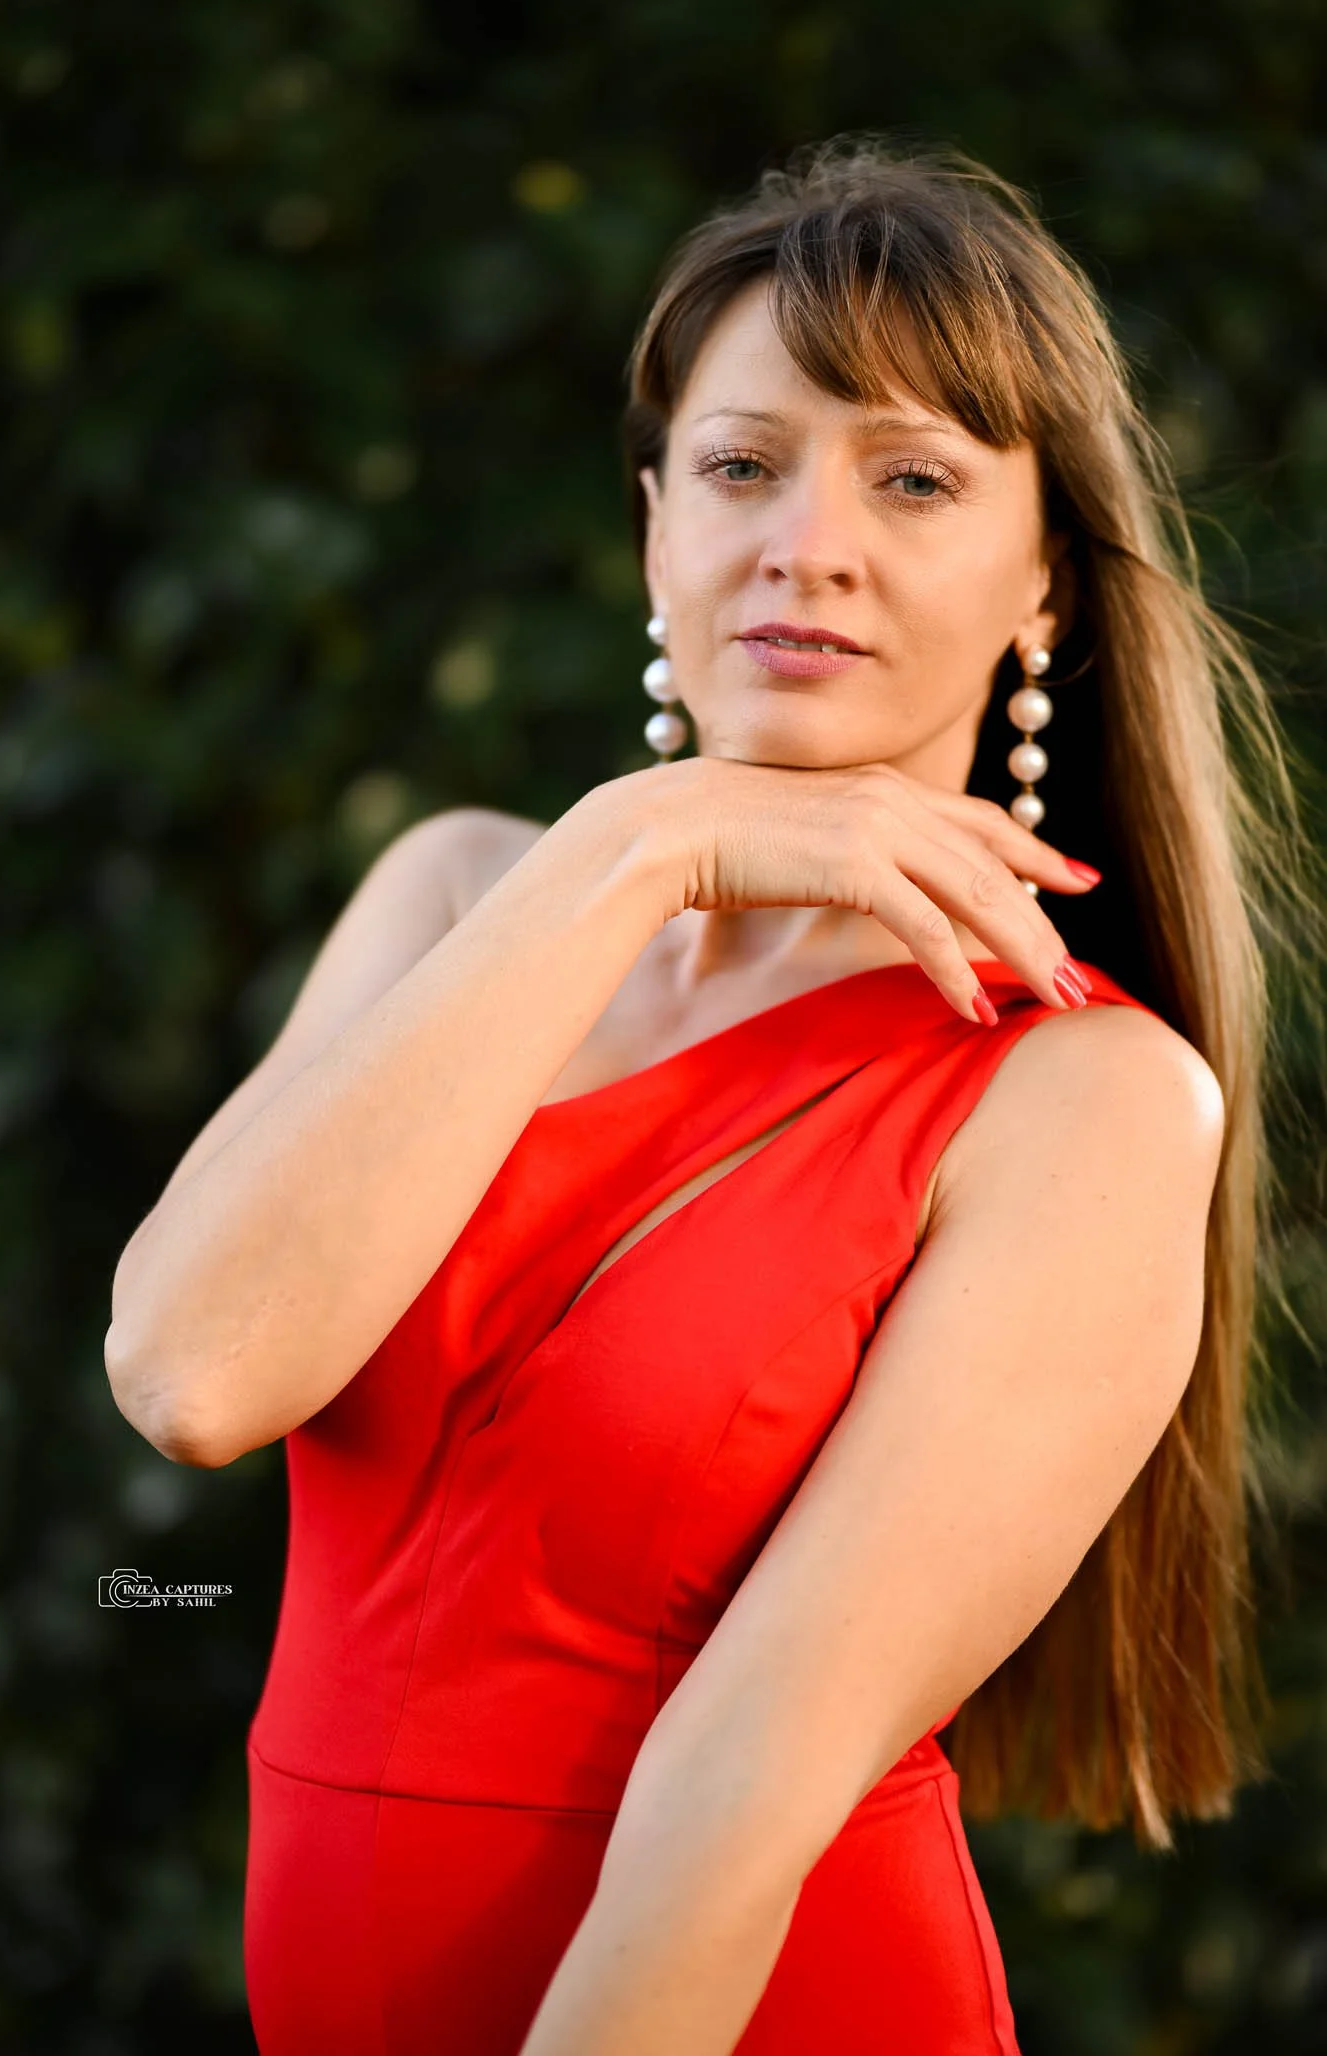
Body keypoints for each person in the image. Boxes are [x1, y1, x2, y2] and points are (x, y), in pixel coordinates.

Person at [104, 137, 1313, 2055]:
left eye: (911, 479)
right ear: (655, 519)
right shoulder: (451, 894)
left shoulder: (1078, 1099)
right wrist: (645, 841)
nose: (804, 541)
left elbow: (741, 1797)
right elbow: (192, 1370)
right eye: (743, 467)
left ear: (1049, 594)